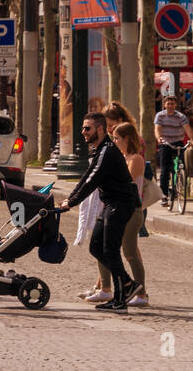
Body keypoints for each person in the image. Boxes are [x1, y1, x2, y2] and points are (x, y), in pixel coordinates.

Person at [58, 113, 142, 312]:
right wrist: (70, 198)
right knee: (96, 247)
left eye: (87, 128)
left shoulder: (107, 151)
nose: (83, 132)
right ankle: (128, 285)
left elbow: (92, 181)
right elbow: (86, 177)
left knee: (110, 250)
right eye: (83, 128)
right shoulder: (101, 150)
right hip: (111, 204)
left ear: (101, 129)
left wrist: (72, 202)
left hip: (121, 204)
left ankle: (121, 299)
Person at [107, 122, 148, 306]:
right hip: (122, 210)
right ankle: (127, 289)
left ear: (127, 139)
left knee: (130, 253)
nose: (114, 141)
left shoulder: (135, 159)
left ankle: (142, 293)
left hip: (133, 211)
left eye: (117, 138)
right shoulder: (123, 157)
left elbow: (124, 182)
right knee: (122, 250)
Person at [153, 95, 193, 209]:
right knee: (165, 170)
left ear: (176, 105)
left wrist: (192, 140)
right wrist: (159, 138)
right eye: (168, 103)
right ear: (165, 105)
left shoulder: (181, 116)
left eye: (172, 104)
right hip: (165, 143)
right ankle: (164, 195)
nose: (170, 106)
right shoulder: (160, 116)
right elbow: (157, 128)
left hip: (177, 142)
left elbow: (187, 128)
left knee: (182, 165)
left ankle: (180, 180)